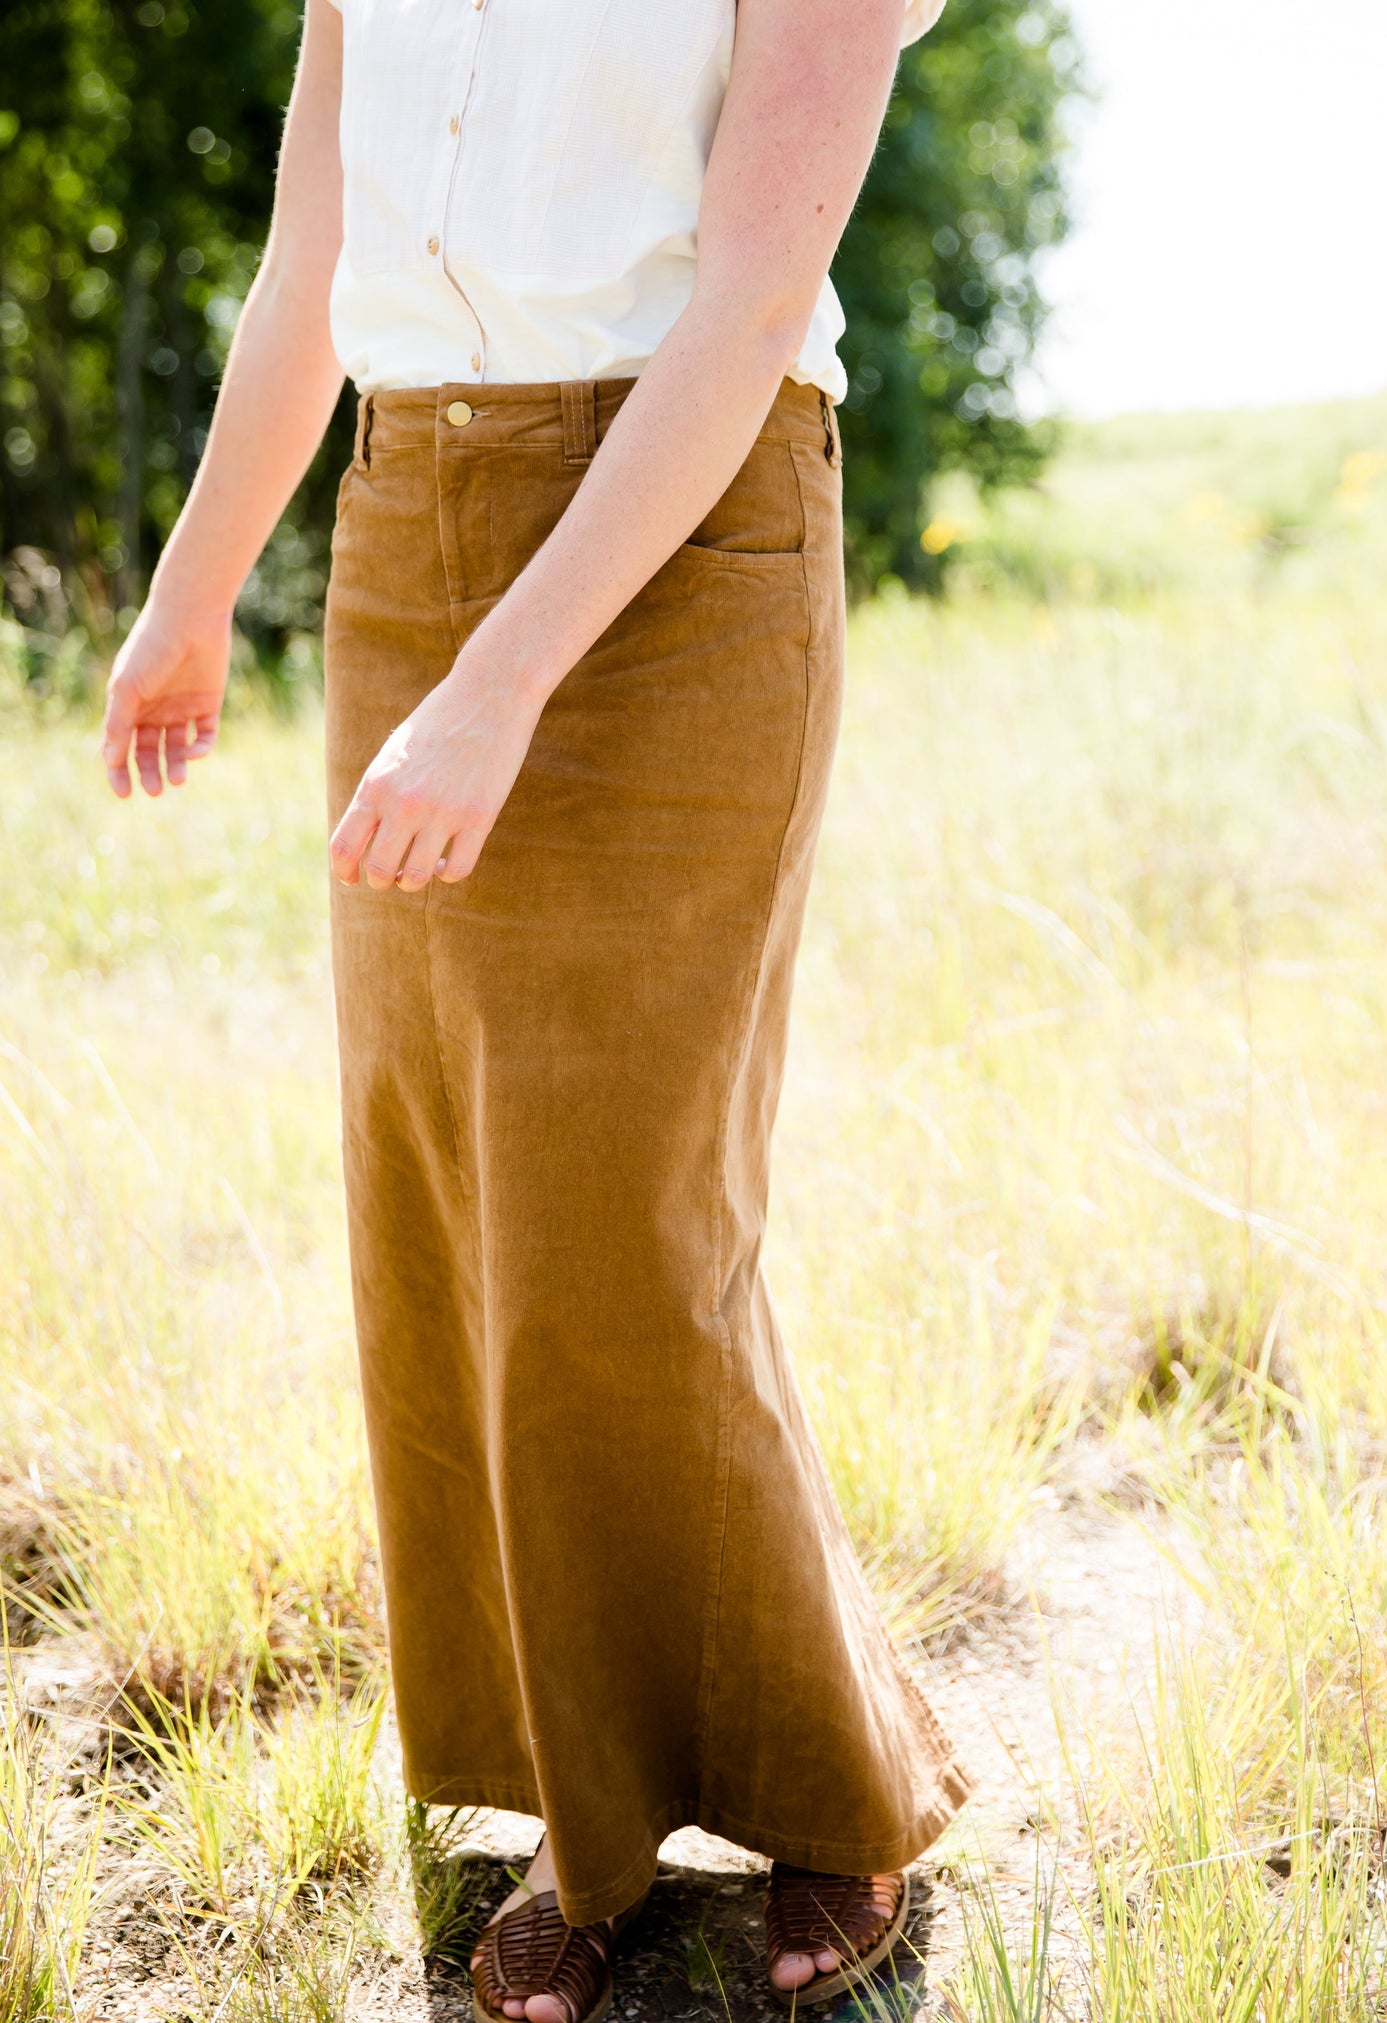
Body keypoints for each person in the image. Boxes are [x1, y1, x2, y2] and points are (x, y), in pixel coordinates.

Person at [101, 0, 973, 2013]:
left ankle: (825, 1782)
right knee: (451, 1206)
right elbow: (310, 257)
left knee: (629, 1216)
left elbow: (755, 294)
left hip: (685, 521)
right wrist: (192, 580)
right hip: (412, 514)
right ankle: (585, 1813)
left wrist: (502, 687)